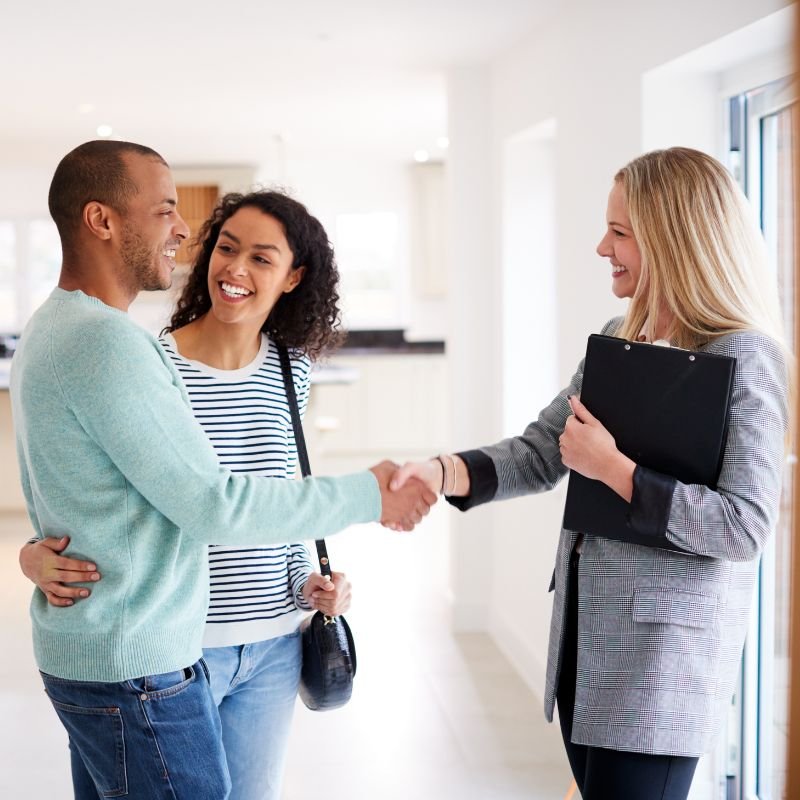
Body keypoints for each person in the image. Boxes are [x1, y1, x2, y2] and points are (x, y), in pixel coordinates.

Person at [11, 140, 435, 800]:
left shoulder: (71, 329)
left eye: (261, 256)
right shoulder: (122, 348)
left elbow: (266, 487)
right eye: (166, 211)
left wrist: (310, 577)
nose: (185, 231)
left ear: (292, 276)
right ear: (102, 220)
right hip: (159, 653)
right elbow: (211, 503)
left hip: (238, 639)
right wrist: (369, 496)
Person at [391, 147, 789, 800]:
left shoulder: (746, 356)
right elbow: (542, 450)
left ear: (674, 239)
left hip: (661, 669)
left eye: (620, 232)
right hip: (588, 648)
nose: (602, 246)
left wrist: (616, 471)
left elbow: (744, 527)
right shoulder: (619, 333)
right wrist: (441, 472)